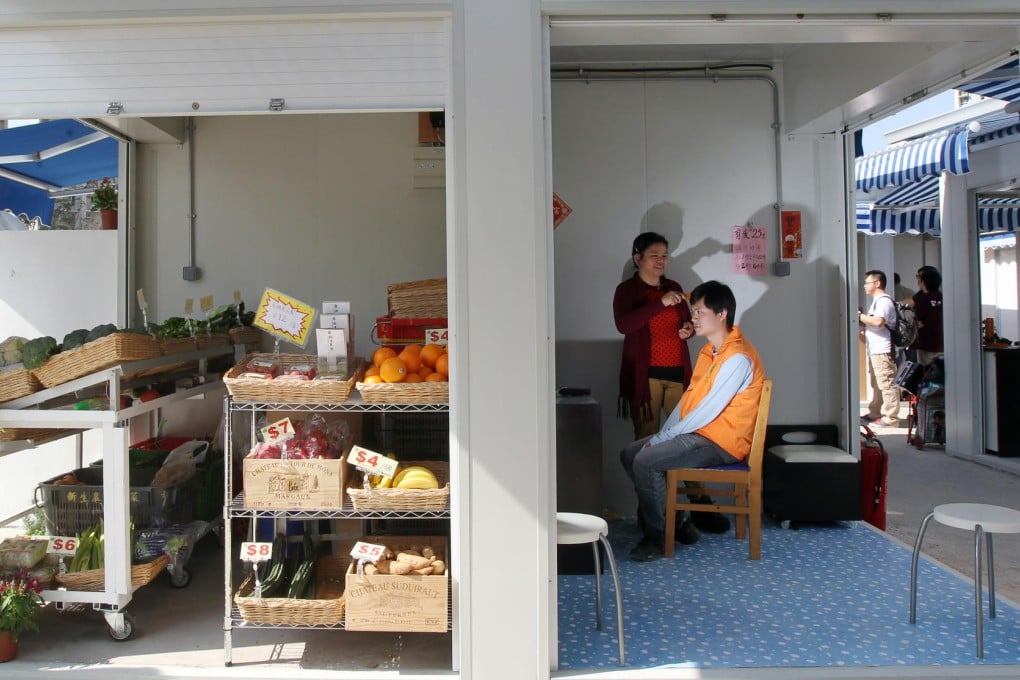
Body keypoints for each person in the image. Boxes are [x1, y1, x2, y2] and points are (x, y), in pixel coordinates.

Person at [620, 281, 766, 562]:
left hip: (721, 441)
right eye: (694, 312)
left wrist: (662, 440)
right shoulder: (709, 352)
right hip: (702, 433)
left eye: (699, 312)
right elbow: (690, 402)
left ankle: (658, 536)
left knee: (645, 460)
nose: (693, 318)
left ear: (722, 314)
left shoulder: (737, 357)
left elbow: (707, 411)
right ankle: (681, 522)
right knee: (630, 453)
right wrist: (663, 435)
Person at [613, 233, 729, 537]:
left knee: (686, 442)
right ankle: (658, 516)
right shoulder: (627, 290)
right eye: (654, 255)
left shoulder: (675, 288)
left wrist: (688, 330)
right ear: (638, 258)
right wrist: (658, 303)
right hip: (645, 378)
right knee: (648, 447)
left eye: (664, 255)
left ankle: (699, 505)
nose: (660, 261)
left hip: (679, 374)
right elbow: (625, 325)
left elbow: (686, 324)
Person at [858, 270, 899, 428]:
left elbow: (878, 321)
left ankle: (891, 417)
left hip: (883, 348)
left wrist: (859, 316)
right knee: (877, 383)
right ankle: (875, 413)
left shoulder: (883, 301)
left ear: (877, 283)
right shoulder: (877, 301)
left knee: (887, 383)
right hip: (876, 349)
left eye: (867, 283)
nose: (864, 286)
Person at [910, 266, 943, 366]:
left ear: (923, 282)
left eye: (919, 278)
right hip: (942, 342)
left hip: (926, 343)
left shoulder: (921, 299)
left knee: (926, 372)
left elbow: (915, 318)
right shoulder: (942, 296)